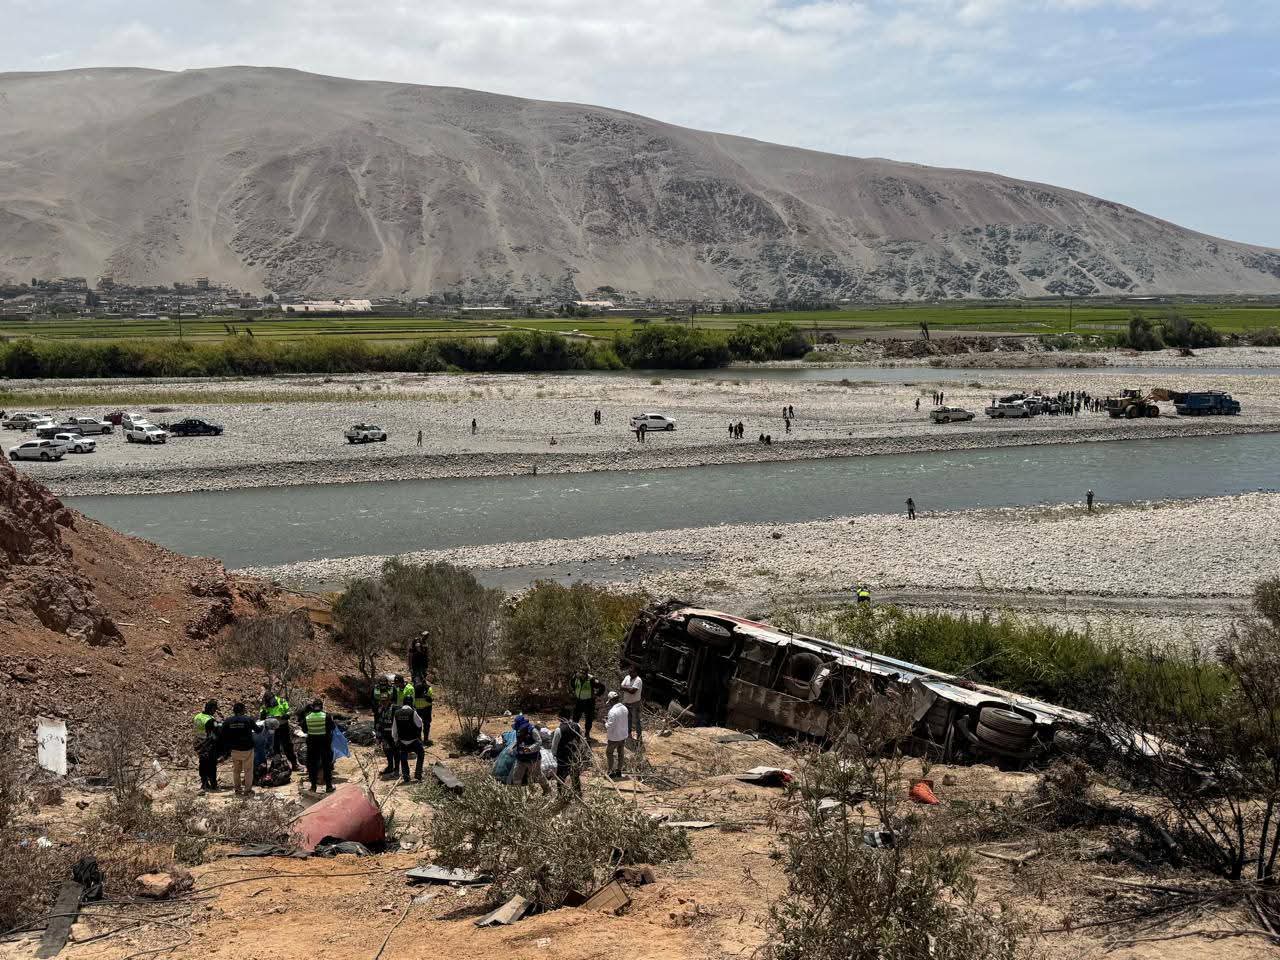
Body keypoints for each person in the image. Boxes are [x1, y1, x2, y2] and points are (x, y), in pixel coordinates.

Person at [220, 702, 256, 797]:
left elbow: (222, 734)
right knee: (248, 770)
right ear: (243, 710)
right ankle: (247, 791)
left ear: (234, 710)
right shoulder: (248, 719)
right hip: (247, 749)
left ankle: (237, 790)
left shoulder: (228, 721)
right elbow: (258, 730)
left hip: (235, 749)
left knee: (236, 770)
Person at [300, 698, 336, 793]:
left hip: (312, 743)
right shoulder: (326, 716)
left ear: (313, 706)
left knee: (312, 765)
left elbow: (304, 729)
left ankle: (313, 786)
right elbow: (332, 727)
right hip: (324, 743)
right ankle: (328, 786)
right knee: (326, 764)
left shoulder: (307, 717)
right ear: (321, 706)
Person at [260, 685, 298, 771]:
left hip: (283, 725)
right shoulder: (265, 704)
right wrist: (263, 714)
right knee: (274, 747)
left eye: (270, 700)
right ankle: (277, 765)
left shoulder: (281, 701)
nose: (270, 703)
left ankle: (294, 764)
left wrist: (287, 715)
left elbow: (290, 710)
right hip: (272, 728)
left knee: (287, 745)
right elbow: (262, 715)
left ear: (273, 697)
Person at [551, 707, 586, 795]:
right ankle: (578, 793)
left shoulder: (559, 730)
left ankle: (561, 794)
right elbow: (581, 740)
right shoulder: (577, 726)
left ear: (560, 717)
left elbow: (555, 745)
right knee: (575, 775)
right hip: (574, 755)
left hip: (563, 756)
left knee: (561, 776)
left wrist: (554, 755)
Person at [511, 719, 551, 795]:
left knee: (538, 775)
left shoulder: (533, 731)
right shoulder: (518, 730)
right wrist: (513, 746)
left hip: (533, 759)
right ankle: (518, 794)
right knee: (516, 775)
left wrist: (530, 749)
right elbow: (518, 740)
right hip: (520, 758)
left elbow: (539, 742)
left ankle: (547, 790)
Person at [392, 703, 425, 783]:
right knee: (421, 753)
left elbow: (394, 729)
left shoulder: (396, 713)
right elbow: (420, 723)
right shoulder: (412, 712)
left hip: (402, 741)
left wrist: (396, 740)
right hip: (413, 740)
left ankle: (406, 776)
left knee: (403, 758)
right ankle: (418, 774)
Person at [372, 674, 397, 776]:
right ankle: (390, 766)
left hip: (393, 730)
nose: (384, 702)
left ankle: (396, 768)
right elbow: (372, 700)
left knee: (395, 749)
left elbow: (395, 698)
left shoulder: (394, 708)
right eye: (382, 701)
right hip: (383, 728)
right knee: (386, 748)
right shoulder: (380, 708)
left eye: (385, 701)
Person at [193, 699, 221, 791]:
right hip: (207, 745)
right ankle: (213, 784)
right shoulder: (209, 720)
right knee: (212, 764)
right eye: (214, 709)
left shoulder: (197, 716)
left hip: (198, 743)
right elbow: (215, 734)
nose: (215, 711)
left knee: (202, 763)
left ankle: (204, 783)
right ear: (212, 709)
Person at [571, 667, 601, 738]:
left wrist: (596, 695)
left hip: (589, 701)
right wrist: (573, 692)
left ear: (586, 673)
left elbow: (602, 687)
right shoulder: (576, 677)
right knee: (575, 717)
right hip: (579, 701)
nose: (581, 674)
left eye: (583, 673)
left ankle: (587, 733)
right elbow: (572, 685)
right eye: (580, 672)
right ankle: (575, 732)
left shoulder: (591, 679)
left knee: (589, 718)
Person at [605, 693, 629, 778]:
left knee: (609, 753)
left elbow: (610, 726)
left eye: (610, 702)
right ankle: (619, 771)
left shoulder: (612, 711)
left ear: (611, 701)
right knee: (620, 753)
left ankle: (610, 771)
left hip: (614, 737)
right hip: (622, 736)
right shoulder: (625, 708)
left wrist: (606, 723)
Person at [621, 664, 643, 742]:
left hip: (635, 703)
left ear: (636, 672)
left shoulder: (638, 680)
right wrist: (629, 688)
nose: (630, 673)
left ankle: (639, 737)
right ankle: (628, 734)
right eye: (629, 672)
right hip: (626, 702)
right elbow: (621, 687)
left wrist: (626, 688)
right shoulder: (627, 677)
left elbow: (632, 691)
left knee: (637, 721)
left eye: (632, 672)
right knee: (628, 719)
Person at [412, 675, 434, 746]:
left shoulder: (426, 688)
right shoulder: (414, 688)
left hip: (422, 708)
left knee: (422, 724)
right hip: (422, 709)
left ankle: (423, 739)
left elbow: (430, 700)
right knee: (422, 725)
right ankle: (422, 740)